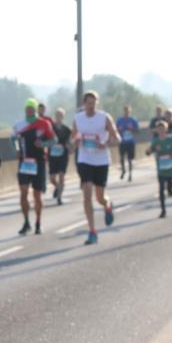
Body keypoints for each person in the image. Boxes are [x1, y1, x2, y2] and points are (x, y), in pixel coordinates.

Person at [72, 90, 120, 245]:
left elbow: (117, 138)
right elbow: (74, 138)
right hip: (84, 159)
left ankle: (107, 205)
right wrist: (76, 141)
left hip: (101, 161)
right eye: (88, 103)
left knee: (100, 198)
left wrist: (105, 143)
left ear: (96, 103)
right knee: (87, 193)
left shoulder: (104, 118)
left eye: (93, 103)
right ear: (84, 104)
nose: (91, 106)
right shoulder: (78, 119)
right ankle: (92, 231)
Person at [14, 98, 55, 235]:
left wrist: (43, 144)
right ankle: (26, 222)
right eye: (27, 108)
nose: (29, 111)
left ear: (36, 109)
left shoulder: (44, 123)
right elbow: (13, 139)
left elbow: (53, 140)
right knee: (23, 192)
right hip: (24, 162)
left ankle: (38, 222)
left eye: (32, 108)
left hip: (39, 163)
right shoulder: (19, 124)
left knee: (37, 195)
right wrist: (16, 149)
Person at [146, 120, 172, 217]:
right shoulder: (156, 141)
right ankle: (163, 210)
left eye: (163, 129)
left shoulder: (170, 140)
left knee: (170, 190)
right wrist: (148, 151)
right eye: (159, 129)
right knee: (161, 190)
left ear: (166, 129)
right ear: (157, 130)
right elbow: (150, 150)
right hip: (161, 171)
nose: (161, 131)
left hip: (171, 170)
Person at [48, 107, 72, 205]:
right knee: (52, 178)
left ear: (63, 116)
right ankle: (58, 187)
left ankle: (59, 197)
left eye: (60, 115)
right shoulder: (50, 128)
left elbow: (70, 141)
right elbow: (46, 140)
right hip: (52, 156)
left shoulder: (67, 129)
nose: (59, 117)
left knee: (61, 176)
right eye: (57, 115)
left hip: (63, 155)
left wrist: (70, 147)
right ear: (55, 116)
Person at [116, 104, 139, 181]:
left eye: (128, 111)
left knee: (130, 159)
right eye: (126, 111)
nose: (127, 113)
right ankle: (123, 170)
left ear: (130, 112)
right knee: (122, 157)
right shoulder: (120, 120)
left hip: (130, 142)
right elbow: (115, 130)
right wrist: (119, 129)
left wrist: (132, 129)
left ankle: (130, 175)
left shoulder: (133, 120)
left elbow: (138, 131)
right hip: (122, 142)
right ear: (124, 111)